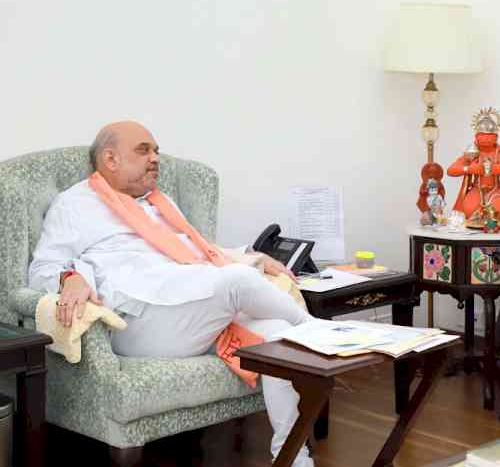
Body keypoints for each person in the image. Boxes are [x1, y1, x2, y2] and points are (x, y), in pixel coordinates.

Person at [29, 121, 315, 467]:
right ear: (110, 159)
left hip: (187, 309)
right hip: (139, 322)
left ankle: (293, 458)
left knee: (279, 341)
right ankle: (322, 334)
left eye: (156, 151)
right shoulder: (75, 205)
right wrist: (70, 277)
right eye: (144, 150)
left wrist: (253, 256)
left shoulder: (159, 204)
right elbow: (43, 269)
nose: (155, 159)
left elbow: (199, 251)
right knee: (238, 282)